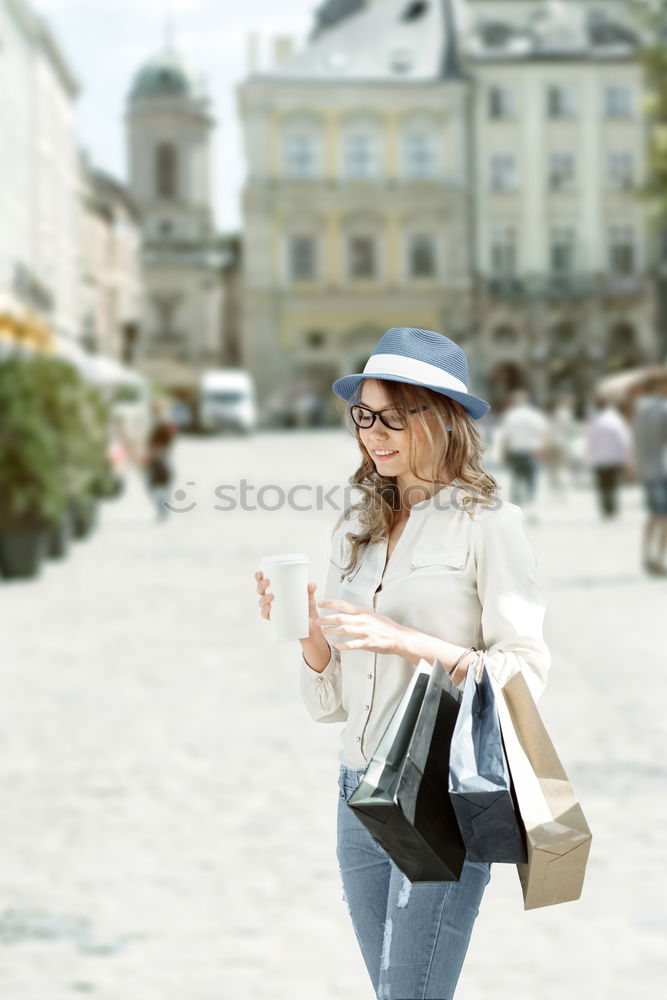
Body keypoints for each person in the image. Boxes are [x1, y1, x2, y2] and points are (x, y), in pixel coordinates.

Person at [255, 328, 551, 999]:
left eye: (391, 417)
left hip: (439, 793)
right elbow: (329, 702)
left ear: (439, 418)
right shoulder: (355, 526)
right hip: (355, 791)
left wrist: (405, 640)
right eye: (363, 416)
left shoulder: (488, 523)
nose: (373, 435)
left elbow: (524, 671)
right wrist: (307, 634)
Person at [495, 389, 549, 520]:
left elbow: (505, 437)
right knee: (531, 481)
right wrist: (543, 449)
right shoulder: (534, 415)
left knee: (516, 480)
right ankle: (532, 509)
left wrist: (504, 453)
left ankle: (515, 511)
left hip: (516, 452)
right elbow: (543, 433)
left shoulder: (510, 415)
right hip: (531, 451)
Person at [633, 376, 667, 575]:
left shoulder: (641, 409)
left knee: (654, 515)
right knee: (664, 517)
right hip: (662, 467)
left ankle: (646, 555)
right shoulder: (663, 409)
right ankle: (660, 559)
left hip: (646, 468)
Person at [585, 395, 632, 519]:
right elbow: (624, 440)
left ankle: (606, 508)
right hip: (615, 458)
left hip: (599, 459)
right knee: (613, 485)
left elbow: (590, 442)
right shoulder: (616, 421)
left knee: (603, 486)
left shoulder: (595, 421)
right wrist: (626, 458)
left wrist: (589, 458)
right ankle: (613, 508)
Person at [143, 398, 178, 520]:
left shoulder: (164, 424)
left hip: (161, 457)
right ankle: (162, 509)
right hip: (155, 458)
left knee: (160, 485)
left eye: (156, 409)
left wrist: (156, 452)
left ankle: (163, 510)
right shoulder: (153, 422)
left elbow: (167, 441)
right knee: (153, 487)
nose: (153, 411)